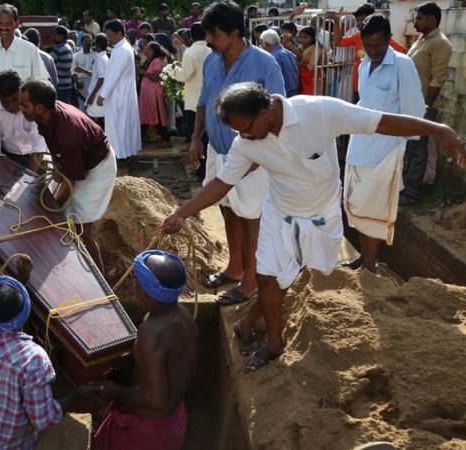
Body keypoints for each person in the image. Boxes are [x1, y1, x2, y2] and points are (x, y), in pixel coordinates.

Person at [162, 82, 465, 372]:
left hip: (322, 216)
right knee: (266, 276)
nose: (244, 137)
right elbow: (221, 183)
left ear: (266, 110)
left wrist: (438, 129)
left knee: (292, 280)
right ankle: (274, 343)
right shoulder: (246, 143)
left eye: (247, 128)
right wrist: (182, 213)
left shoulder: (318, 111)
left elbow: (381, 122)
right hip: (279, 214)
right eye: (239, 132)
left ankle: (245, 324)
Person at [189, 1, 285, 307]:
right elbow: (203, 102)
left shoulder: (265, 64)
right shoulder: (210, 61)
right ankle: (235, 266)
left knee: (252, 216)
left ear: (234, 33)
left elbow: (278, 112)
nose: (209, 40)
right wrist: (196, 139)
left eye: (214, 34)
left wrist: (258, 157)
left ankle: (252, 280)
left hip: (253, 155)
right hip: (218, 150)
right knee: (228, 207)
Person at [341, 14, 425, 273]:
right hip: (359, 148)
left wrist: (407, 149)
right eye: (368, 45)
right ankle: (364, 256)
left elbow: (414, 111)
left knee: (374, 210)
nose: (373, 51)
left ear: (389, 40)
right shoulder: (365, 64)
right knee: (356, 207)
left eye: (378, 45)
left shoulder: (403, 65)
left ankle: (369, 263)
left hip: (385, 153)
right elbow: (364, 103)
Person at [91, 250, 197, 450]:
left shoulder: (151, 333)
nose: (133, 284)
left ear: (148, 294)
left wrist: (116, 391)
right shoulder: (184, 316)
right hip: (172, 421)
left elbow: (154, 401)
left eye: (137, 280)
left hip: (145, 429)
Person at [0, 276, 87, 449]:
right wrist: (77, 395)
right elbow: (44, 420)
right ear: (24, 314)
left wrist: (20, 282)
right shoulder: (33, 360)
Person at [20, 80, 116, 270]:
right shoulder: (47, 115)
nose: (20, 107)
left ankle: (101, 286)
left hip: (98, 167)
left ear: (39, 107)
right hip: (78, 161)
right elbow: (54, 144)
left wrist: (51, 207)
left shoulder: (68, 133)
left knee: (81, 228)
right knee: (63, 217)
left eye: (24, 104)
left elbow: (70, 182)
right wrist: (58, 167)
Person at [401, 1, 454, 204]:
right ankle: (407, 185)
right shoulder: (421, 40)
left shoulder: (440, 43)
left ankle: (413, 192)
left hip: (422, 104)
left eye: (419, 18)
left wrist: (425, 106)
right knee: (410, 146)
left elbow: (437, 79)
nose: (415, 23)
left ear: (432, 19)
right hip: (410, 102)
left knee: (417, 147)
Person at [330, 4, 407, 103]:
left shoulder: (383, 39)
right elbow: (338, 42)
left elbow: (404, 52)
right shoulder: (357, 36)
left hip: (377, 90)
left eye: (361, 20)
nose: (358, 23)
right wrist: (336, 21)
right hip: (358, 86)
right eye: (357, 20)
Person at [0, 4, 47, 95]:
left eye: (8, 23)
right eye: (0, 23)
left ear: (16, 24)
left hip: (23, 107)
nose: (4, 27)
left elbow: (40, 82)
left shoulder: (30, 49)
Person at [0, 70, 48, 171]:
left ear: (21, 92)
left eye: (15, 100)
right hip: (7, 156)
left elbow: (39, 145)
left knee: (37, 184)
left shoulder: (33, 101)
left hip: (37, 157)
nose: (11, 106)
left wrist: (30, 179)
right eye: (5, 102)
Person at [98, 19, 141, 162]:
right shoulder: (122, 48)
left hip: (119, 94)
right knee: (123, 125)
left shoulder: (121, 50)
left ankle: (120, 154)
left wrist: (102, 95)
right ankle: (124, 153)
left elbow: (112, 76)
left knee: (118, 125)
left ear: (119, 33)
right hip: (122, 92)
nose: (108, 38)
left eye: (110, 35)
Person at [172, 22, 211, 142]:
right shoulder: (211, 50)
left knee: (195, 132)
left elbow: (184, 76)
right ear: (206, 35)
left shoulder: (190, 52)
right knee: (208, 134)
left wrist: (176, 68)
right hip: (210, 97)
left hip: (194, 100)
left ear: (191, 37)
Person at [139, 42, 170, 148]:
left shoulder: (157, 61)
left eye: (147, 47)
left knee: (157, 116)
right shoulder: (150, 60)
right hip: (147, 94)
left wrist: (144, 72)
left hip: (154, 93)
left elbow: (156, 77)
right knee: (146, 115)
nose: (144, 49)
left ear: (152, 50)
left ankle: (166, 139)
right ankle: (139, 139)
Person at [260, 29, 300, 97]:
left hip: (283, 96)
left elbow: (274, 80)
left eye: (261, 43)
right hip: (295, 92)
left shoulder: (273, 57)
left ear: (266, 44)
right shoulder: (289, 53)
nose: (261, 46)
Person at [85, 34, 109, 124]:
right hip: (99, 93)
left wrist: (92, 95)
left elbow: (101, 78)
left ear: (97, 44)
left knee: (93, 120)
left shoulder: (101, 59)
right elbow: (97, 75)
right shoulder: (102, 57)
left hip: (97, 94)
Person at [297, 27, 325, 95]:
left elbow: (310, 67)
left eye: (305, 37)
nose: (302, 39)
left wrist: (300, 63)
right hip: (303, 80)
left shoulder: (317, 48)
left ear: (312, 38)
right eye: (300, 37)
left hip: (314, 79)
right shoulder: (300, 47)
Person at [71, 34, 95, 112]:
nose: (88, 42)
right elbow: (73, 71)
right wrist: (76, 81)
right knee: (82, 107)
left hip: (94, 83)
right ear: (82, 43)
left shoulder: (96, 55)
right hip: (82, 84)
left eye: (90, 41)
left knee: (93, 107)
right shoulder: (76, 56)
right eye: (86, 41)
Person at [51, 26, 74, 103]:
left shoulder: (58, 49)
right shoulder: (68, 47)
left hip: (59, 85)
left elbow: (48, 62)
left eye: (55, 35)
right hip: (67, 84)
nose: (53, 37)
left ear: (62, 36)